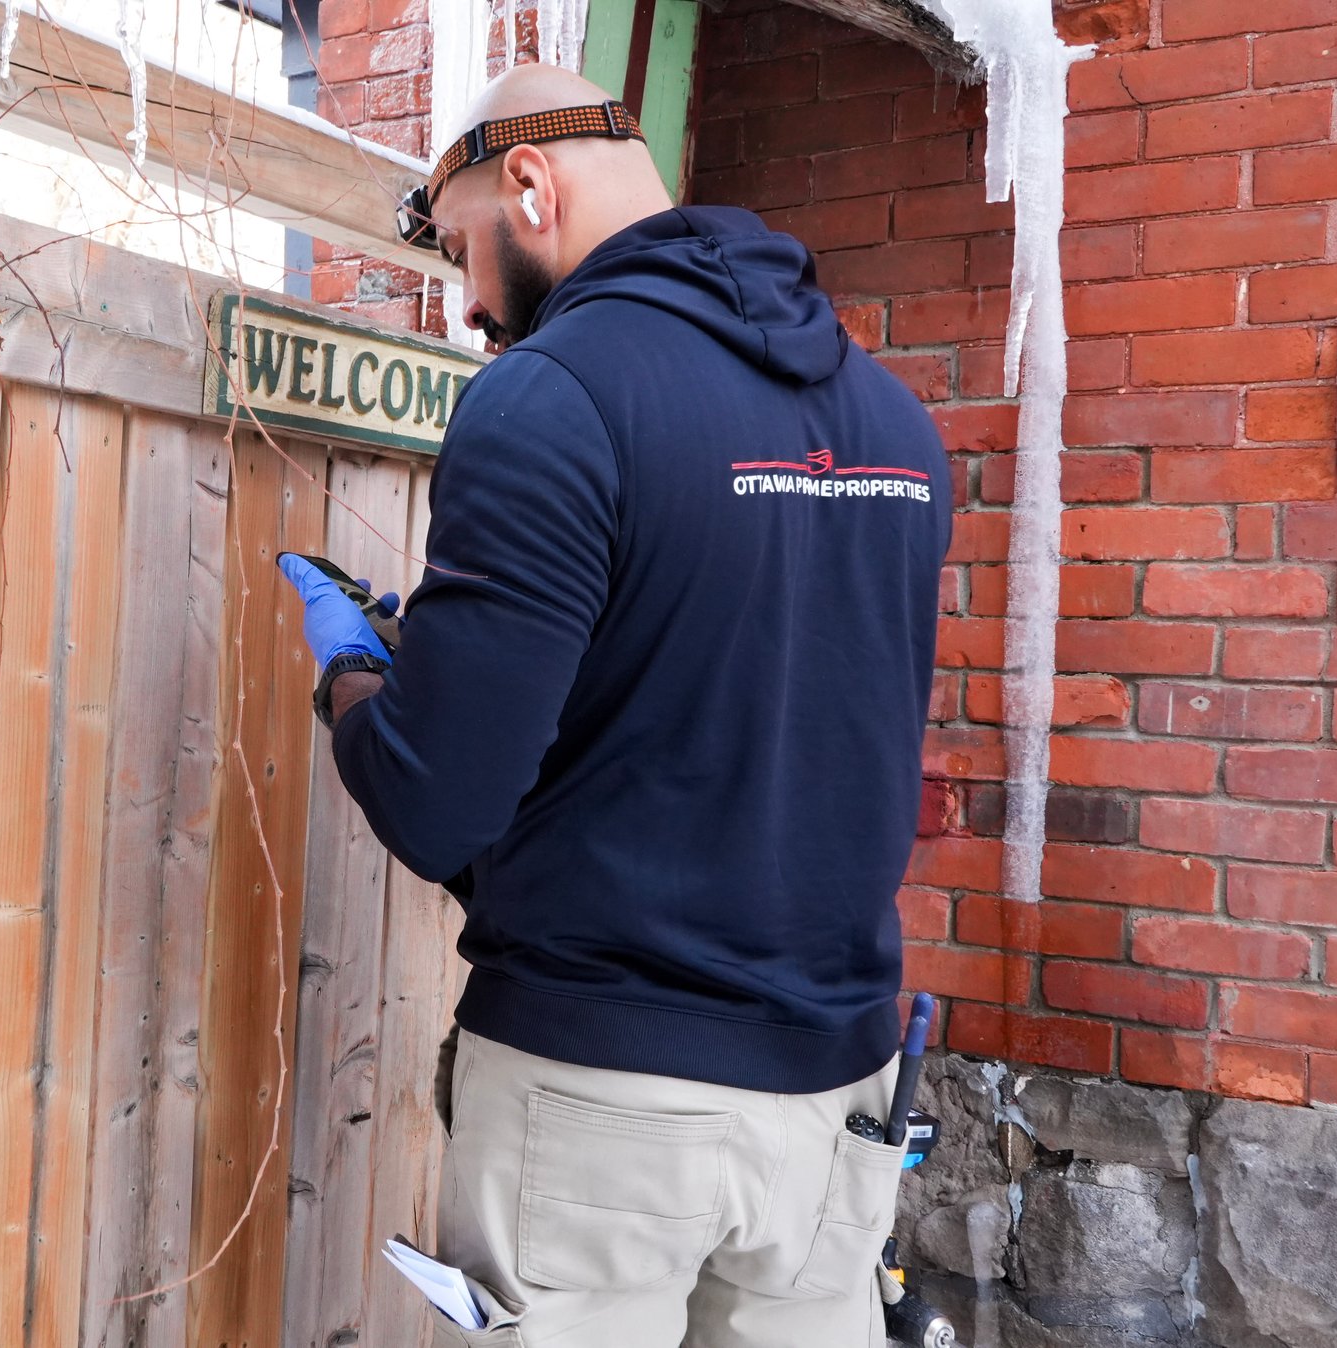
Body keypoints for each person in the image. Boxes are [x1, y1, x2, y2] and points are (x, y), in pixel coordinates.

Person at [277, 62, 953, 1348]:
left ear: (528, 185)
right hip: (837, 1095)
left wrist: (359, 678)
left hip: (604, 1109)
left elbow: (438, 803)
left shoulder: (552, 397)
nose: (472, 303)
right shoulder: (897, 427)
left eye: (464, 246)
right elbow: (715, 688)